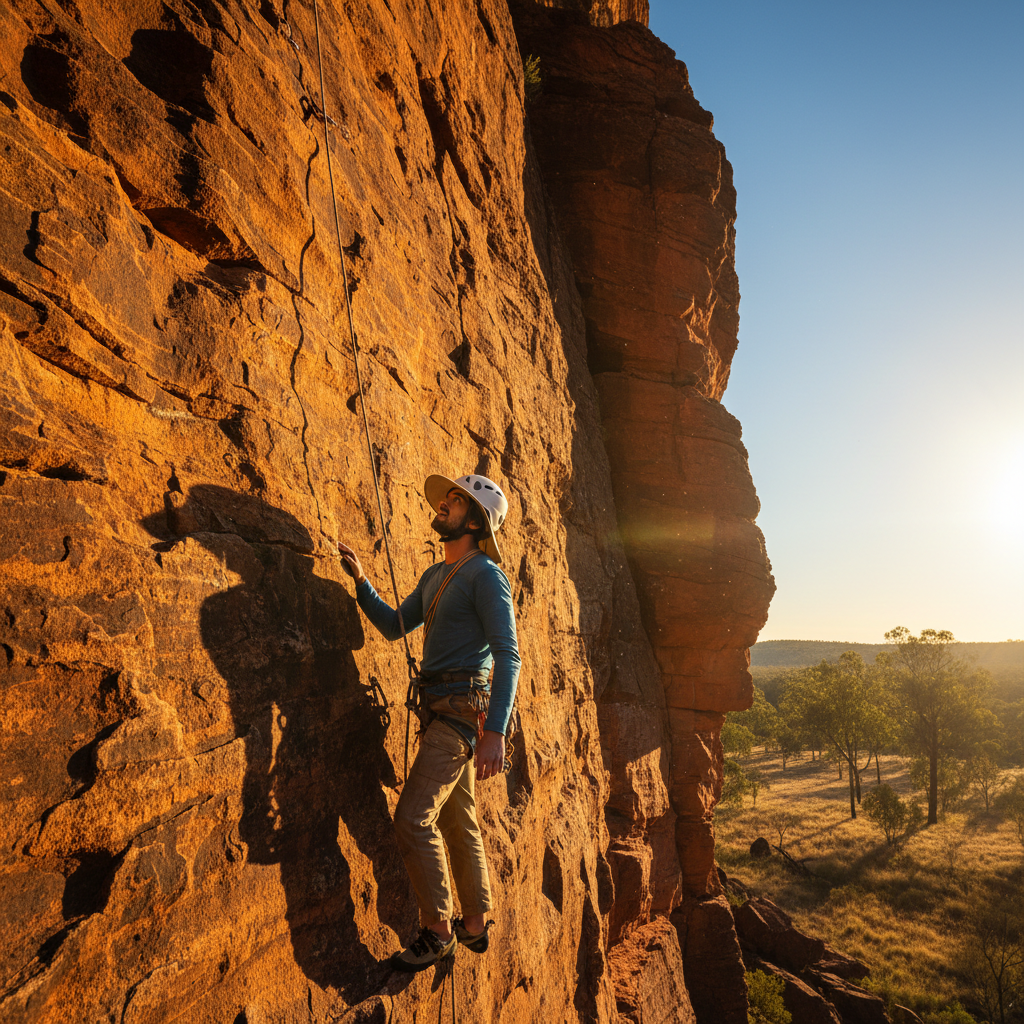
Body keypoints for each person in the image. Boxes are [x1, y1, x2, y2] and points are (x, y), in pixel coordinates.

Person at [337, 473, 521, 971]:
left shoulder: (486, 576)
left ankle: (438, 930)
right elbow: (396, 625)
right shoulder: (436, 576)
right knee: (458, 819)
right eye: (447, 497)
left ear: (477, 520)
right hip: (442, 710)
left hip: (461, 717)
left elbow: (508, 655)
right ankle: (475, 926)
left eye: (455, 500)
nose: (443, 502)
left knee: (414, 818)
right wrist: (361, 582)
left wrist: (495, 733)